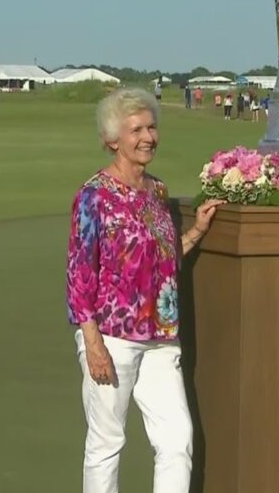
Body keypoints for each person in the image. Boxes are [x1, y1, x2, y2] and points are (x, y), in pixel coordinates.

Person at [66, 88, 224, 493]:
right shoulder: (94, 195)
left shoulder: (157, 191)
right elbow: (80, 273)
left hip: (161, 338)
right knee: (107, 442)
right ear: (111, 140)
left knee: (176, 440)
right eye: (135, 129)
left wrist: (196, 232)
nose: (147, 137)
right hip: (112, 339)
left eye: (151, 127)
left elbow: (163, 262)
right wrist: (92, 342)